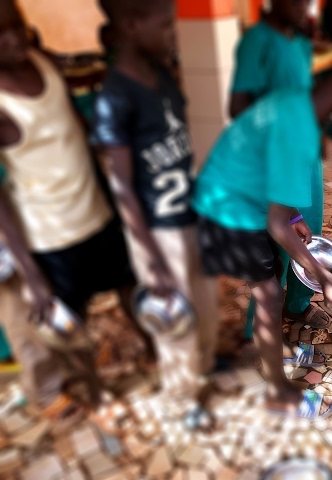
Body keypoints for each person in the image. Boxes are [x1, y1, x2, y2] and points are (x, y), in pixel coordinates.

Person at [193, 44, 332, 418]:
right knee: (268, 293)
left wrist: (292, 215)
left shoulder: (301, 103)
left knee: (272, 279)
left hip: (245, 190)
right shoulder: (299, 125)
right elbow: (273, 222)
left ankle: (277, 353)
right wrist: (324, 278)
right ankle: (278, 394)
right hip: (230, 205)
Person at [0, 0, 137, 431]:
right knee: (71, 324)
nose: (13, 38)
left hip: (95, 210)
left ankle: (157, 346)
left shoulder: (43, 64)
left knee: (131, 285)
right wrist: (33, 275)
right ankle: (94, 390)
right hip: (50, 232)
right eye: (0, 34)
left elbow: (74, 127)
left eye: (16, 26)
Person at [93, 0, 219, 426]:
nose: (172, 35)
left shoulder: (162, 74)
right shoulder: (115, 98)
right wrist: (151, 257)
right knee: (175, 320)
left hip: (189, 215)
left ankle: (202, 367)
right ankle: (182, 398)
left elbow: (180, 145)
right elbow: (123, 186)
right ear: (130, 25)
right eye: (165, 26)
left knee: (204, 301)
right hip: (157, 231)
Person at [229, 0, 332, 350]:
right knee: (275, 251)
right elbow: (240, 108)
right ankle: (254, 334)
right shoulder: (257, 42)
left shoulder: (299, 41)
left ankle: (297, 305)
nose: (306, 7)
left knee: (308, 233)